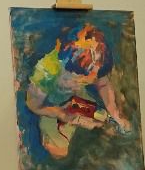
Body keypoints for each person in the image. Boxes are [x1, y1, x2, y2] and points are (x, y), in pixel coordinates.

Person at [24, 24, 131, 159]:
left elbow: (103, 84)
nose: (90, 80)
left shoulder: (91, 68)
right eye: (79, 79)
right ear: (65, 67)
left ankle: (97, 121)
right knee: (59, 152)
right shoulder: (46, 73)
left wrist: (114, 112)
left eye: (91, 78)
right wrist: (62, 114)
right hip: (50, 104)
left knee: (104, 119)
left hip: (71, 98)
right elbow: (33, 105)